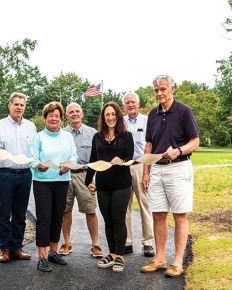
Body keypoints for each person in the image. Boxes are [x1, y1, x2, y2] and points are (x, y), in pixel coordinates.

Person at [141, 75, 199, 277]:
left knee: (180, 215)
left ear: (172, 90)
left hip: (178, 167)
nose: (159, 93)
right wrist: (146, 171)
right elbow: (149, 145)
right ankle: (159, 259)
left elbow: (195, 142)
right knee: (158, 214)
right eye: (156, 90)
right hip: (156, 168)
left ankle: (177, 262)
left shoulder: (184, 111)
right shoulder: (152, 114)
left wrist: (179, 150)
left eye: (163, 89)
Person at [85, 102, 134, 272]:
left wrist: (121, 160)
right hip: (103, 185)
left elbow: (130, 156)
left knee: (118, 219)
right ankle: (112, 254)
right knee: (107, 220)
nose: (110, 117)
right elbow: (93, 160)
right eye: (107, 115)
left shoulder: (126, 136)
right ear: (103, 117)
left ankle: (120, 255)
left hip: (121, 184)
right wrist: (88, 181)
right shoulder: (97, 137)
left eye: (113, 114)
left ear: (118, 116)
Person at [30, 102, 78, 272]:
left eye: (57, 116)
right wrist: (38, 166)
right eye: (50, 115)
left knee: (58, 216)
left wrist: (69, 164)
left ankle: (53, 252)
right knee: (44, 218)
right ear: (45, 118)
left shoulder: (67, 137)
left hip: (62, 180)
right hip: (42, 182)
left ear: (61, 118)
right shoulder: (38, 137)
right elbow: (33, 159)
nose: (54, 118)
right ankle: (42, 257)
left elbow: (74, 155)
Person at [0, 92, 37, 263]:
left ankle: (16, 247)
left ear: (25, 107)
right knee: (4, 214)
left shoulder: (31, 127)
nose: (19, 107)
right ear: (9, 105)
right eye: (16, 104)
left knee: (20, 214)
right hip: (5, 174)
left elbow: (33, 151)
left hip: (25, 175)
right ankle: (4, 249)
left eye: (22, 105)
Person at [59, 102, 103, 258]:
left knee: (90, 210)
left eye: (77, 111)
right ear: (67, 116)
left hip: (86, 175)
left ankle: (95, 244)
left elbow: (99, 157)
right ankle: (66, 242)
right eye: (71, 112)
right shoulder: (62, 133)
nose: (75, 114)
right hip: (66, 175)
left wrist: (96, 179)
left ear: (82, 114)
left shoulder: (93, 133)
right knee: (65, 210)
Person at [123, 92, 154, 257]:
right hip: (125, 167)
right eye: (127, 102)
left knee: (144, 205)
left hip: (142, 166)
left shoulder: (147, 121)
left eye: (133, 102)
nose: (130, 105)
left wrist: (148, 170)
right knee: (125, 206)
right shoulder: (121, 122)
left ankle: (148, 242)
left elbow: (152, 144)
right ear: (124, 106)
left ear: (138, 103)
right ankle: (127, 241)